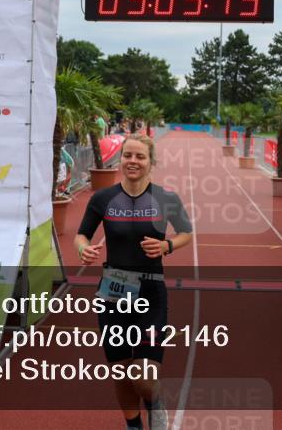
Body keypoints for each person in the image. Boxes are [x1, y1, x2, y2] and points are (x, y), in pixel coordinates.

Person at [75, 134, 193, 430]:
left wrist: (167, 246)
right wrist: (82, 249)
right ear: (121, 158)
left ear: (151, 163)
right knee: (120, 372)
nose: (132, 161)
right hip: (112, 294)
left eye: (140, 157)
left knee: (144, 375)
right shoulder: (102, 198)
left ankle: (154, 402)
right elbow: (81, 234)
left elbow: (186, 232)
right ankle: (134, 425)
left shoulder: (166, 198)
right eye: (128, 155)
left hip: (151, 292)